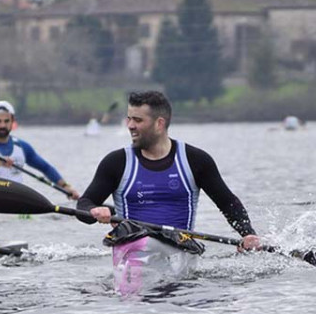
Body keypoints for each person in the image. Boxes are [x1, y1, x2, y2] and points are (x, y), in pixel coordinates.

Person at [75, 91, 262, 294]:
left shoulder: (195, 160)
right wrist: (94, 211)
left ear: (159, 123)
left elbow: (228, 203)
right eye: (129, 119)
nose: (129, 126)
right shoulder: (116, 163)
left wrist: (248, 234)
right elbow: (84, 204)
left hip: (179, 249)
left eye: (137, 120)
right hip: (133, 247)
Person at [0, 101, 80, 199]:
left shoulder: (22, 147)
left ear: (12, 121)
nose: (2, 125)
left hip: (16, 199)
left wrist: (66, 187)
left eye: (6, 121)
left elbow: (45, 168)